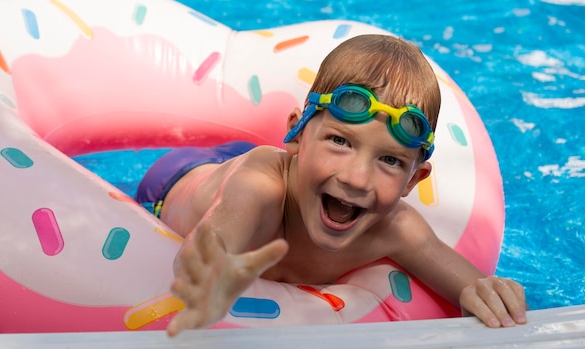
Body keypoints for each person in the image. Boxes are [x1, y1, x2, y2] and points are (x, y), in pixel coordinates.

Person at [135, 34, 527, 337]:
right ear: (296, 133)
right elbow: (208, 249)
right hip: (175, 179)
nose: (357, 179)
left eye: (389, 161)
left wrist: (490, 294)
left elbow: (473, 285)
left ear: (414, 180)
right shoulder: (258, 187)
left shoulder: (396, 229)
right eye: (340, 141)